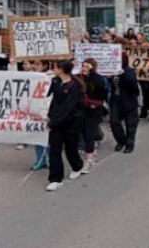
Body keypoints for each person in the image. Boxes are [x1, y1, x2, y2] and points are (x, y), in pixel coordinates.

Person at [45, 60, 85, 192]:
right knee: (54, 150)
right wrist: (49, 116)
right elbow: (52, 99)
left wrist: (53, 121)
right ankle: (55, 179)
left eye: (54, 67)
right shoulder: (55, 81)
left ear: (61, 69)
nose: (53, 69)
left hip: (71, 122)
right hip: (57, 121)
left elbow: (67, 107)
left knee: (70, 148)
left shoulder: (74, 85)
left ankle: (77, 166)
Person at [78, 58, 107, 173]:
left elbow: (101, 87)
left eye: (87, 66)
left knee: (89, 134)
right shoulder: (79, 78)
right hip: (81, 111)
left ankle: (89, 160)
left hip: (94, 111)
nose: (84, 68)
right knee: (82, 132)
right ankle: (92, 145)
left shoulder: (98, 79)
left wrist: (92, 73)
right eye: (83, 66)